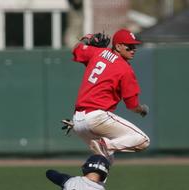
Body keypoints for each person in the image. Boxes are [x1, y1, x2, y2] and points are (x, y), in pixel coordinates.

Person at [63, 28, 150, 163]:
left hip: (78, 121)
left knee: (105, 161)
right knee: (143, 140)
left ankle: (91, 183)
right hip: (96, 117)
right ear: (118, 46)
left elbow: (76, 49)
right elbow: (132, 106)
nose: (133, 49)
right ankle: (106, 144)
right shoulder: (125, 69)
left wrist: (88, 39)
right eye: (129, 46)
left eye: (135, 46)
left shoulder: (98, 52)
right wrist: (142, 109)